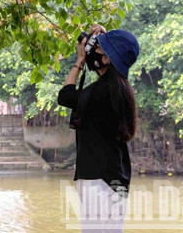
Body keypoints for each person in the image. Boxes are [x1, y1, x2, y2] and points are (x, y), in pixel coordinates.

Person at [58, 24, 140, 232]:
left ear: (108, 59)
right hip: (118, 176)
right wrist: (105, 38)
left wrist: (79, 61)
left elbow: (65, 96)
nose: (93, 51)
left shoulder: (98, 93)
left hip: (97, 180)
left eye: (99, 49)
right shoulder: (121, 90)